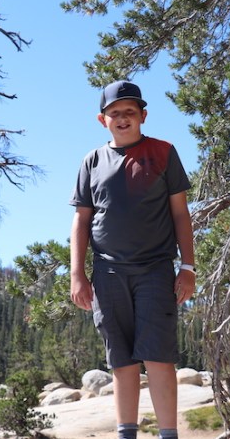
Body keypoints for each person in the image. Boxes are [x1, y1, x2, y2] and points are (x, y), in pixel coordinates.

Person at [70, 80, 197, 439]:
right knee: (121, 360)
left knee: (158, 356)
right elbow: (81, 219)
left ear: (143, 115)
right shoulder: (92, 161)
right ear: (102, 119)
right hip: (107, 273)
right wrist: (77, 274)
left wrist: (187, 267)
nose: (122, 118)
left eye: (129, 112)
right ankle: (126, 433)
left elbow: (180, 214)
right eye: (115, 113)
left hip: (156, 271)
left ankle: (168, 434)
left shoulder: (163, 152)